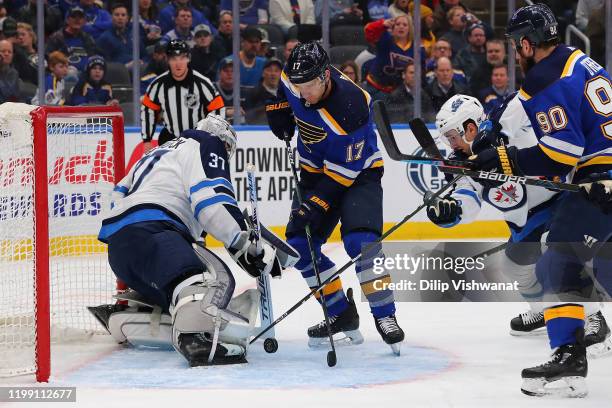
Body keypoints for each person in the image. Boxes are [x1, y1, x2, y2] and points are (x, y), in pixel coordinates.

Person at [467, 4, 612, 397]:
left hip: (602, 177)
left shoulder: (545, 77)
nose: (516, 51)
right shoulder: (581, 60)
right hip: (602, 171)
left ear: (528, 43)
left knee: (559, 257)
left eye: (517, 44)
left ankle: (569, 360)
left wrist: (501, 159)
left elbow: (559, 155)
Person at [96, 114, 283, 366]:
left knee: (177, 288)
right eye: (227, 147)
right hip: (155, 232)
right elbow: (210, 200)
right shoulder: (207, 143)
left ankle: (135, 312)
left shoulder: (155, 153)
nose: (225, 154)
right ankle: (193, 337)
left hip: (120, 248)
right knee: (212, 280)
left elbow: (117, 195)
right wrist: (243, 241)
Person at [266, 41, 405, 354]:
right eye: (298, 86)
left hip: (359, 174)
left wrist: (314, 206)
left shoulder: (353, 105)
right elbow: (282, 94)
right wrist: (277, 110)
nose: (303, 94)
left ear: (326, 76)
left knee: (362, 242)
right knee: (299, 245)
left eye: (310, 86)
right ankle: (340, 311)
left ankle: (386, 315)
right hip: (314, 172)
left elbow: (344, 174)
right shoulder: (294, 78)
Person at [141, 40, 225, 153]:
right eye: (173, 58)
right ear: (167, 60)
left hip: (198, 143)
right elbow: (148, 110)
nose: (178, 63)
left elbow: (218, 109)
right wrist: (147, 140)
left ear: (188, 59)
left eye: (182, 58)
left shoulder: (202, 83)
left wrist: (214, 137)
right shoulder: (158, 85)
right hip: (170, 142)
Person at [364, 15, 426, 99]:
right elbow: (368, 31)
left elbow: (421, 71)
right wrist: (382, 24)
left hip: (400, 92)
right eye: (398, 24)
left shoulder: (418, 49)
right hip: (376, 87)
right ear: (393, 28)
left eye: (405, 25)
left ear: (410, 29)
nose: (401, 27)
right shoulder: (385, 39)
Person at [46, 6, 99, 73]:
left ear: (84, 21)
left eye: (80, 17)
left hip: (85, 74)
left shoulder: (88, 38)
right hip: (64, 75)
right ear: (67, 20)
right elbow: (49, 58)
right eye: (74, 17)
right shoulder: (56, 38)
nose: (77, 20)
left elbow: (93, 57)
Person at [96, 3, 147, 67]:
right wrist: (125, 67)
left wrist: (142, 62)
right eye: (117, 15)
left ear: (127, 18)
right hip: (118, 73)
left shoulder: (134, 35)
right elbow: (104, 64)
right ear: (112, 17)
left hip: (139, 70)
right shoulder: (104, 38)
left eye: (123, 15)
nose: (120, 18)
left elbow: (145, 55)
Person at [244, 58, 282, 123]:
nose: (273, 74)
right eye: (269, 70)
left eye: (276, 70)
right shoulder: (253, 93)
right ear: (263, 73)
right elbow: (248, 116)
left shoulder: (286, 94)